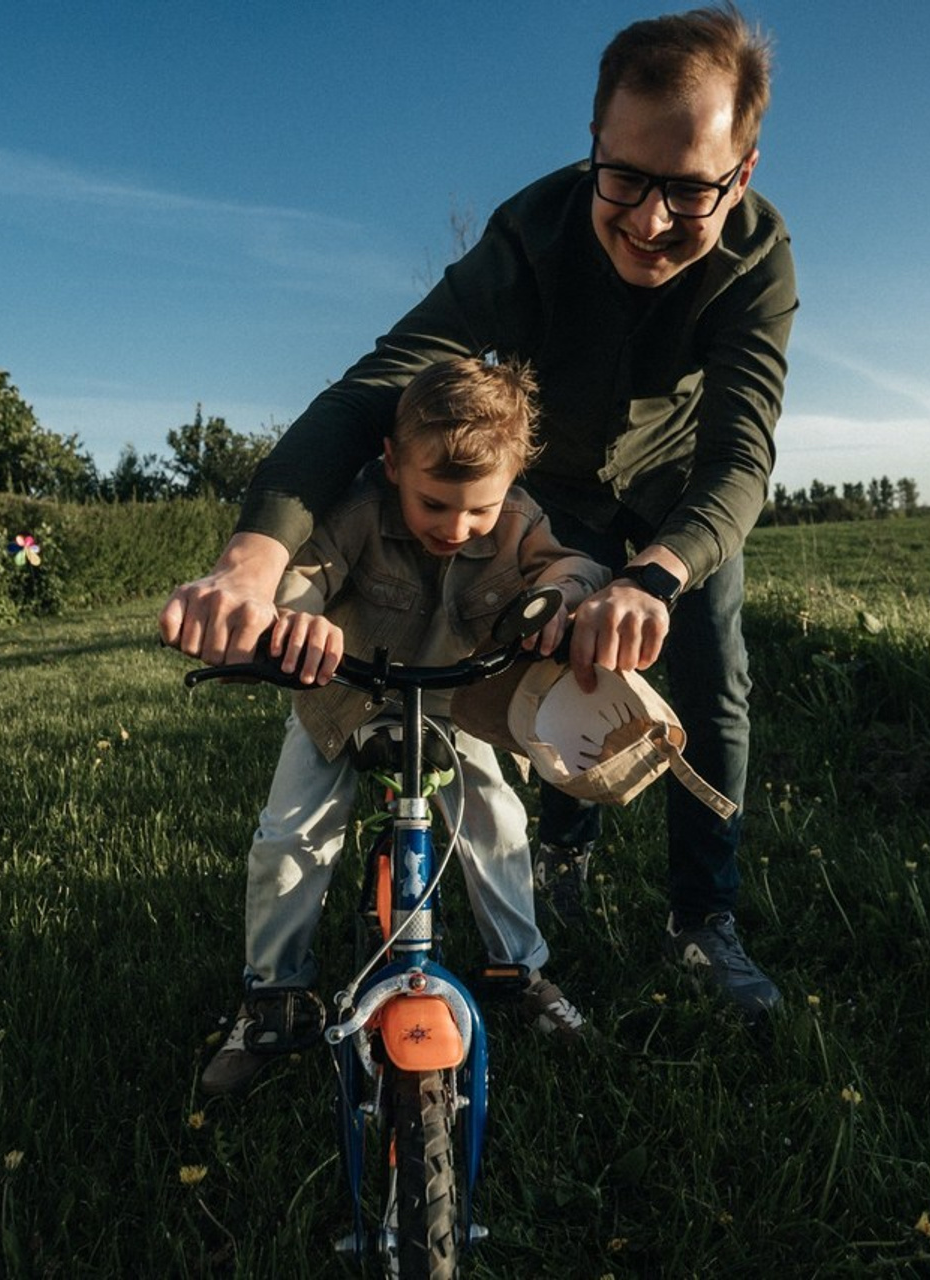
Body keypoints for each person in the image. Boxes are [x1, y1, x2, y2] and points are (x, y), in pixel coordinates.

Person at [161, 3, 796, 1020]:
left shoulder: (758, 261)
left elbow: (739, 455)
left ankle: (700, 919)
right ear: (592, 146)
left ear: (743, 170)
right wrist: (251, 557)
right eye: (623, 178)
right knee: (556, 663)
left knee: (711, 679)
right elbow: (378, 385)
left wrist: (657, 573)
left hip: (680, 497)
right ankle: (559, 852)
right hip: (559, 488)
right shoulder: (530, 234)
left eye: (688, 191)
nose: (645, 219)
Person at [196, 357, 609, 1095]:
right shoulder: (357, 507)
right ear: (391, 463)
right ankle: (273, 995)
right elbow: (306, 573)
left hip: (457, 702)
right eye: (434, 505)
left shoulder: (518, 520)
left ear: (511, 482)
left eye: (478, 510)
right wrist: (297, 621)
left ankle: (519, 970)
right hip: (342, 697)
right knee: (291, 835)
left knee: (500, 826)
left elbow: (570, 564)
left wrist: (561, 593)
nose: (457, 528)